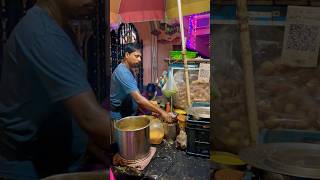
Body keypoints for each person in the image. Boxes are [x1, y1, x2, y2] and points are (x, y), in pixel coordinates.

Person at [0, 0, 112, 179]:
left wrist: (89, 144)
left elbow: (65, 105)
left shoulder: (59, 29)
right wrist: (146, 137)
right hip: (29, 169)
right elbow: (91, 118)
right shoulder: (43, 34)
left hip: (59, 161)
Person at [110, 43, 172, 122]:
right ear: (127, 55)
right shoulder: (122, 72)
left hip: (129, 112)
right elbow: (139, 99)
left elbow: (135, 96)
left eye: (140, 57)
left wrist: (150, 110)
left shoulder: (129, 70)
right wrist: (162, 112)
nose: (140, 59)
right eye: (136, 56)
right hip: (119, 116)